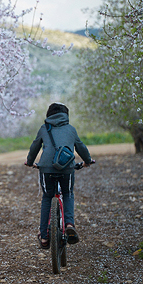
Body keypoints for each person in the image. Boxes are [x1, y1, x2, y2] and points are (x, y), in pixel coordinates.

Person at [24, 102, 93, 249]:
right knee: (67, 193)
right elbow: (81, 147)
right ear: (65, 115)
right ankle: (69, 224)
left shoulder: (44, 129)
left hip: (46, 168)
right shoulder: (71, 129)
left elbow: (35, 146)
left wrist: (30, 162)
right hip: (66, 167)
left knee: (47, 197)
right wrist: (87, 161)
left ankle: (43, 236)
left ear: (49, 115)